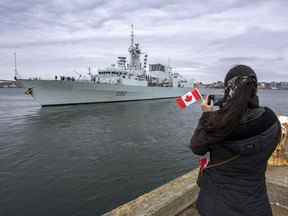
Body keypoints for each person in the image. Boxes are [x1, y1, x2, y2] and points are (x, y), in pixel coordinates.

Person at [190, 65, 281, 216]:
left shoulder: (217, 123)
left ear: (228, 90)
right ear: (254, 89)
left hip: (217, 205)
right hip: (256, 204)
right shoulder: (270, 119)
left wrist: (207, 115)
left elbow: (197, 147)